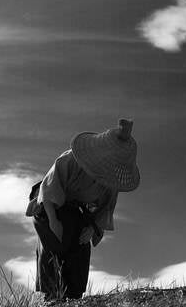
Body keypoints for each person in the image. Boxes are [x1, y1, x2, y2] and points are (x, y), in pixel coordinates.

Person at [25, 118, 140, 300]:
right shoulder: (70, 159)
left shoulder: (110, 183)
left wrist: (92, 229)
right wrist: (54, 222)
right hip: (48, 206)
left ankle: (73, 297)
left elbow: (105, 210)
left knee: (80, 246)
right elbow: (48, 189)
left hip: (76, 211)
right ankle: (52, 296)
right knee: (55, 243)